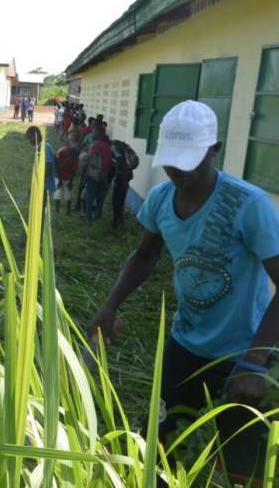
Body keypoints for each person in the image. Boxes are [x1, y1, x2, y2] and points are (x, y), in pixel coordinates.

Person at [87, 100, 279, 483]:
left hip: (242, 352)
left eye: (191, 160)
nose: (179, 171)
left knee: (243, 460)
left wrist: (256, 362)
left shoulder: (249, 205)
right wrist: (110, 306)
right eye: (172, 160)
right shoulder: (160, 199)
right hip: (185, 343)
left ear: (214, 150)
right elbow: (145, 256)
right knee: (158, 447)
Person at [82, 126, 112, 222]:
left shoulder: (94, 146)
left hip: (93, 175)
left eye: (94, 132)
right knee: (100, 198)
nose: (93, 134)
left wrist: (85, 175)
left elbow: (90, 161)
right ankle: (98, 216)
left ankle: (88, 217)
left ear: (99, 134)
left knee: (89, 197)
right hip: (104, 176)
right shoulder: (108, 146)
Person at [110, 139, 139, 229]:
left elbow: (120, 162)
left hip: (122, 178)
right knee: (120, 200)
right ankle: (117, 221)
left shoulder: (114, 148)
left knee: (116, 201)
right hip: (127, 176)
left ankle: (118, 222)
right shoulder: (123, 147)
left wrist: (119, 178)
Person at [25, 126, 56, 201]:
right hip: (42, 183)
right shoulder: (42, 146)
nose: (30, 141)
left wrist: (39, 181)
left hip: (44, 184)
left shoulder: (44, 147)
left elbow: (48, 165)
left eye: (30, 138)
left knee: (41, 205)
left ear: (36, 135)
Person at [55, 136, 80, 214]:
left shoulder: (75, 155)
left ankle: (68, 211)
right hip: (59, 175)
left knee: (68, 193)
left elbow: (75, 170)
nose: (72, 158)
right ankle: (57, 210)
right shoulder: (61, 152)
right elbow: (56, 167)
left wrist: (71, 181)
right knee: (58, 192)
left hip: (68, 176)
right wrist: (59, 180)